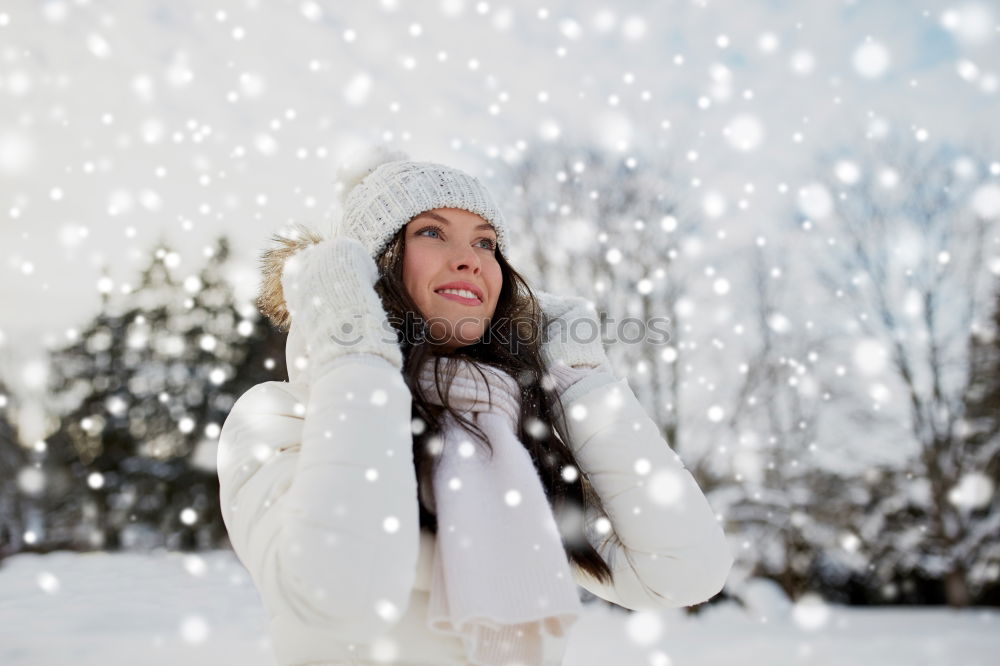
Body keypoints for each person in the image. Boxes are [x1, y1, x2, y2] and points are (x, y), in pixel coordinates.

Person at [217, 145, 734, 666]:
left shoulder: (515, 445)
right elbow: (340, 590)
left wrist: (580, 381)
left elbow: (682, 570)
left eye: (486, 243)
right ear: (370, 267)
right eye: (431, 232)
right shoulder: (278, 416)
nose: (470, 259)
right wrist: (355, 344)